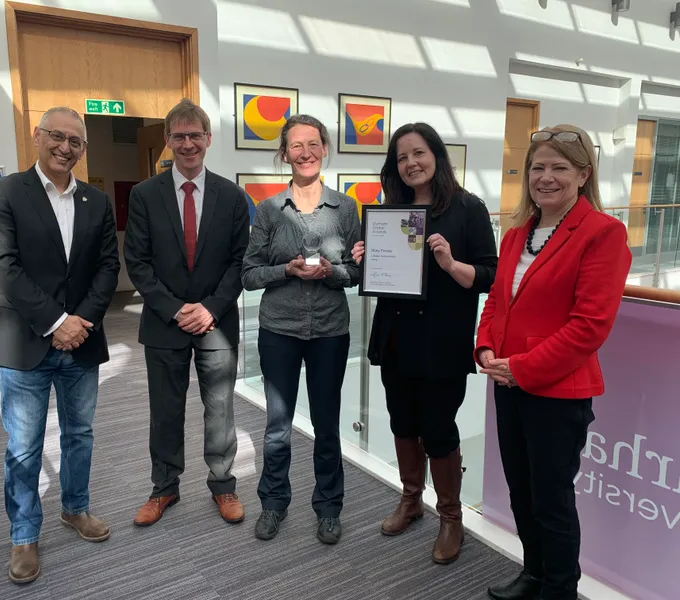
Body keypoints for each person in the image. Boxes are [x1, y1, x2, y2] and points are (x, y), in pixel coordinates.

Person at [477, 125, 631, 600]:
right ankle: (535, 574)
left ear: (583, 175)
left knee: (552, 500)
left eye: (559, 167)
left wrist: (521, 367)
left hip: (556, 393)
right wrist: (484, 347)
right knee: (521, 493)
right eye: (538, 167)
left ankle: (559, 589)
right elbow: (497, 303)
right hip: (508, 386)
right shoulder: (516, 233)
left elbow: (589, 326)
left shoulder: (603, 234)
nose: (546, 177)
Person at [0, 106, 120, 584]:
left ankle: (75, 508)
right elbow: (5, 267)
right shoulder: (5, 193)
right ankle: (23, 534)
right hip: (25, 343)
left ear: (83, 148)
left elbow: (107, 267)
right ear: (37, 136)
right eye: (56, 137)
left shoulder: (96, 202)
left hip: (82, 341)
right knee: (24, 445)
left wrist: (81, 322)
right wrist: (56, 321)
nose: (65, 147)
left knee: (80, 434)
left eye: (75, 141)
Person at [352, 123, 497, 564]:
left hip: (441, 342)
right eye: (402, 158)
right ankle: (411, 500)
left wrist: (451, 263)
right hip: (396, 338)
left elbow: (489, 276)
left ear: (436, 155)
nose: (411, 163)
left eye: (419, 153)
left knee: (438, 429)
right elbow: (383, 281)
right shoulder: (389, 211)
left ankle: (450, 518)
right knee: (402, 423)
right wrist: (364, 263)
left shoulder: (468, 208)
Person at [125, 99, 250, 527]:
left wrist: (210, 308)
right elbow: (137, 262)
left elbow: (240, 261)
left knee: (220, 409)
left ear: (208, 139)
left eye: (195, 135)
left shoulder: (233, 197)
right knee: (165, 411)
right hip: (164, 323)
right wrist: (178, 309)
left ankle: (223, 484)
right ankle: (164, 488)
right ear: (167, 141)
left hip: (216, 323)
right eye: (178, 136)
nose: (187, 143)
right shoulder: (144, 195)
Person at [242, 114, 360, 545]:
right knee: (277, 424)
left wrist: (333, 271)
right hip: (280, 330)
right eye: (296, 146)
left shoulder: (346, 208)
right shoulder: (269, 209)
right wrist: (285, 270)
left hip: (330, 331)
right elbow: (249, 273)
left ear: (325, 149)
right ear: (285, 153)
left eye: (313, 144)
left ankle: (329, 507)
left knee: (327, 424)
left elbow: (360, 271)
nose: (305, 153)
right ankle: (273, 502)